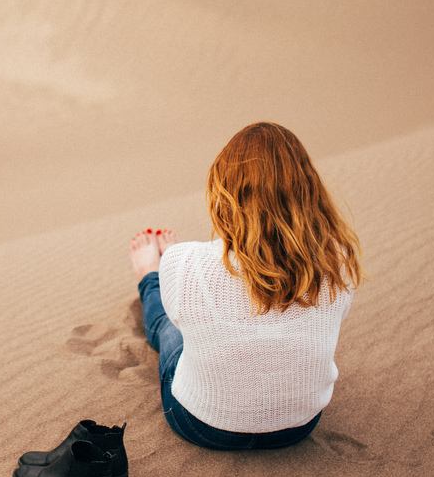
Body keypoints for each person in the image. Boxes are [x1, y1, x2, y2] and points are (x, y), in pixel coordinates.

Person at [130, 121, 364, 451]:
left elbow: (180, 321)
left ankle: (149, 274)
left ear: (224, 194)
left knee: (168, 329)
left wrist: (175, 264)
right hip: (297, 426)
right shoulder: (337, 261)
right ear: (309, 191)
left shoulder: (186, 260)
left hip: (203, 424)